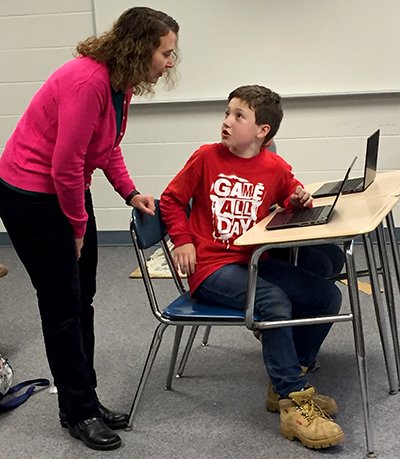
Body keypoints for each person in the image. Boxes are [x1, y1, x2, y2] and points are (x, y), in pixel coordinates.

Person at [0, 7, 179, 451]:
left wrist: (129, 192)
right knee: (63, 304)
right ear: (141, 49)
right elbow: (65, 165)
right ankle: (77, 411)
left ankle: (87, 399)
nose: (170, 62)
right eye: (166, 52)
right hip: (31, 195)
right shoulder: (88, 81)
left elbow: (105, 148)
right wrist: (77, 227)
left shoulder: (122, 84)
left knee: (84, 296)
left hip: (64, 190)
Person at [160, 85, 345, 449]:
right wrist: (182, 238)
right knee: (273, 302)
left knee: (326, 296)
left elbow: (293, 192)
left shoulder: (273, 166)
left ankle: (286, 382)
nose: (227, 122)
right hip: (212, 268)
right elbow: (171, 199)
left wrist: (297, 197)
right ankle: (293, 403)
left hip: (254, 261)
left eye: (238, 116)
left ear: (263, 132)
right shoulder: (206, 157)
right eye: (227, 113)